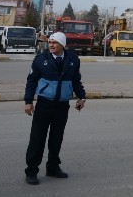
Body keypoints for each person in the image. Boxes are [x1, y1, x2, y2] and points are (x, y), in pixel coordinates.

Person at [23, 32, 86, 185]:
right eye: (50, 42)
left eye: (54, 43)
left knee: (56, 139)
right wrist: (28, 101)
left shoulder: (73, 60)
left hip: (62, 106)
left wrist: (82, 96)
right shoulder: (40, 60)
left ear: (62, 45)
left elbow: (76, 80)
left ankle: (53, 167)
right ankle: (31, 171)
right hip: (44, 104)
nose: (50, 45)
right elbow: (31, 81)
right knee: (37, 139)